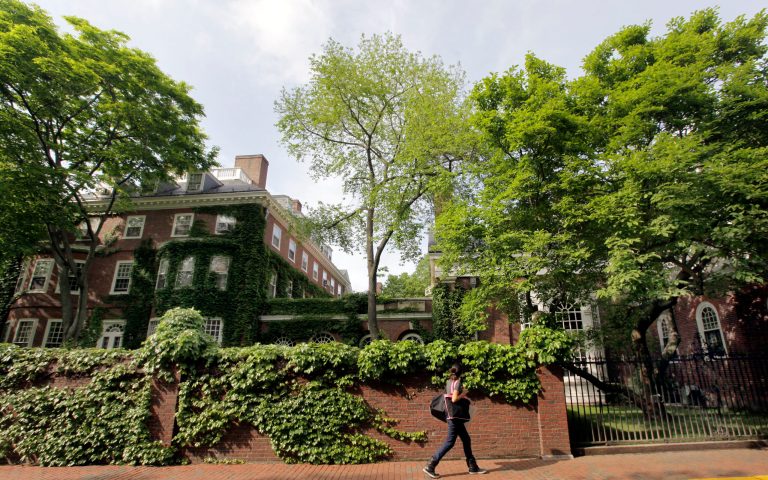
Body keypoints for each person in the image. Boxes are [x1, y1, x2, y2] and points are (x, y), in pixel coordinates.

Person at [423, 363, 487, 478]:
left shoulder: (448, 382)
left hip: (453, 416)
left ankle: (473, 467)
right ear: (460, 373)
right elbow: (454, 399)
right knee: (450, 442)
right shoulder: (458, 383)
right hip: (454, 416)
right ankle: (430, 465)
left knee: (466, 439)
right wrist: (464, 393)